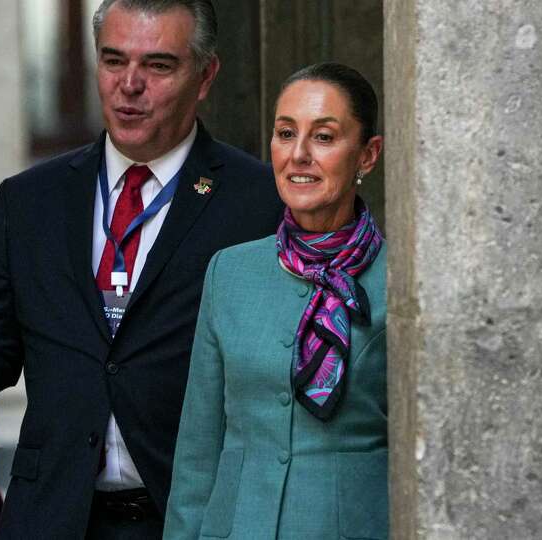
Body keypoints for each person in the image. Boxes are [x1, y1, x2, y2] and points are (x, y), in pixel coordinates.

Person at [0, 1, 283, 538]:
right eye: (113, 60)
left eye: (158, 66)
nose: (129, 85)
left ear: (205, 76)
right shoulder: (31, 200)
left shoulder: (258, 202)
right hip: (54, 517)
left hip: (193, 518)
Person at [163, 62, 387, 539]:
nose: (299, 155)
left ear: (367, 155)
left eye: (323, 137)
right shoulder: (230, 272)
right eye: (286, 133)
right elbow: (199, 450)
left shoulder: (405, 282)